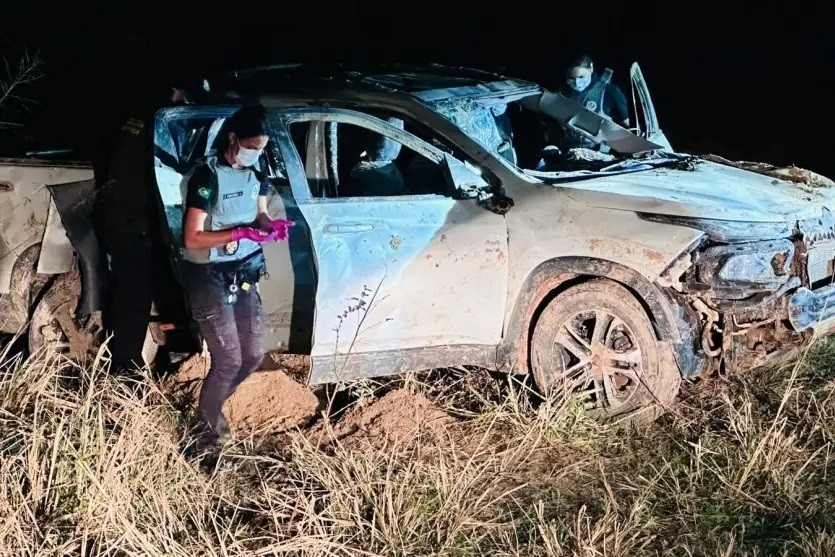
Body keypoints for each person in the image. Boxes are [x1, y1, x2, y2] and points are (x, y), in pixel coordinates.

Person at [180, 103, 294, 450]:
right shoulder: (206, 177)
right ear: (233, 139)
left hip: (243, 272)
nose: (254, 154)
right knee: (228, 358)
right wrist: (238, 234)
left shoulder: (257, 175)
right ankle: (205, 435)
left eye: (260, 149)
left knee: (253, 355)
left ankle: (208, 410)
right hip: (209, 273)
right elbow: (192, 237)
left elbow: (258, 215)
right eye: (250, 147)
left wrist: (268, 226)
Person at [93, 85, 190, 375]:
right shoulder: (156, 125)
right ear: (174, 92)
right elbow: (139, 177)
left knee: (148, 289)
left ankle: (166, 350)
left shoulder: (140, 120)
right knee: (134, 294)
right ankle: (125, 367)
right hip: (134, 223)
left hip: (131, 219)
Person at [550, 54, 630, 151]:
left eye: (581, 77)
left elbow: (625, 128)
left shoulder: (610, 92)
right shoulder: (560, 94)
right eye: (571, 78)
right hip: (568, 154)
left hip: (601, 157)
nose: (577, 83)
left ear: (591, 68)